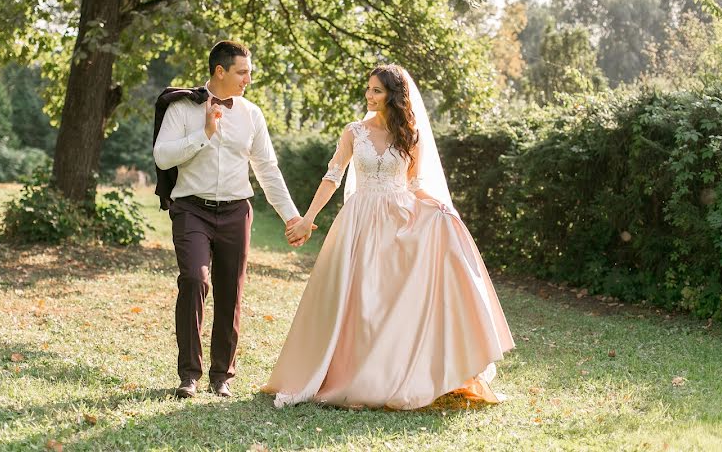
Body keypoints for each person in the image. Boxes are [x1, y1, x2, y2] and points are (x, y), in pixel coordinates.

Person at [263, 64, 515, 410]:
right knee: (357, 300)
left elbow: (414, 185)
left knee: (388, 301)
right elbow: (332, 176)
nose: (369, 95)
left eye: (377, 90)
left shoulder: (410, 135)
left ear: (393, 96)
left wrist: (440, 209)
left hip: (400, 220)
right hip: (360, 220)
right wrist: (308, 218)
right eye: (368, 89)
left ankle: (393, 372)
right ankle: (348, 372)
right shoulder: (354, 132)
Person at [153, 40, 313, 399]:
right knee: (194, 280)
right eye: (242, 72)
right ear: (220, 71)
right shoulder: (182, 108)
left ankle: (222, 375)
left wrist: (292, 216)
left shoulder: (252, 114)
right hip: (191, 208)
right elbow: (162, 157)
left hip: (235, 211)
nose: (248, 79)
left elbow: (267, 170)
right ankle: (189, 375)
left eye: (250, 72)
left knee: (231, 292)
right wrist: (204, 134)